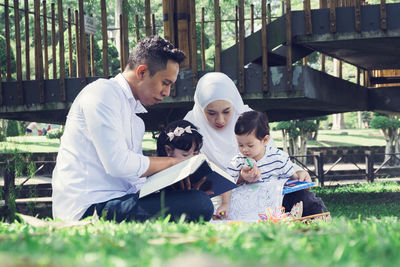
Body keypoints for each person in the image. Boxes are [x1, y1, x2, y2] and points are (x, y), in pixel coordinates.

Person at [52, 36, 214, 222]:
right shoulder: (101, 93)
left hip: (119, 200)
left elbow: (133, 181)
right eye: (165, 83)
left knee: (195, 199)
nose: (167, 92)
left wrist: (173, 186)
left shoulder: (136, 121)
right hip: (88, 207)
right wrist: (172, 163)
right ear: (142, 72)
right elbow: (117, 163)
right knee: (199, 204)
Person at [184, 72, 310, 214]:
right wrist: (240, 177)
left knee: (301, 198)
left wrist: (298, 172)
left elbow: (271, 155)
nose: (220, 120)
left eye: (226, 111)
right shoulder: (191, 127)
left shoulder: (248, 120)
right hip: (218, 196)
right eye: (211, 113)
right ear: (201, 110)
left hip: (262, 191)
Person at [223, 111, 328, 220]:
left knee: (305, 197)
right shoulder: (238, 161)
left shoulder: (277, 157)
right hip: (251, 202)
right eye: (240, 145)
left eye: (250, 145)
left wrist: (302, 179)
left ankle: (321, 216)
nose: (244, 149)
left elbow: (294, 176)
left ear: (265, 140)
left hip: (276, 199)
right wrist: (225, 204)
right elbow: (227, 182)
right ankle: (289, 218)